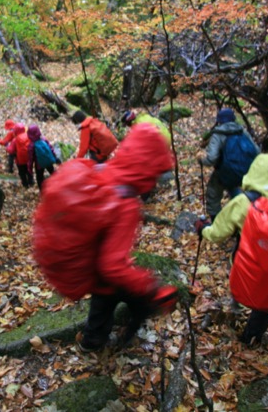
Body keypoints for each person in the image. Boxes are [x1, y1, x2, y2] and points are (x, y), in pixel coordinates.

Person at [33, 124, 178, 352]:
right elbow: (113, 266)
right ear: (149, 169)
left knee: (101, 309)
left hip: (94, 273)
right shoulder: (126, 203)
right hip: (107, 275)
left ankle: (91, 344)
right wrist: (150, 287)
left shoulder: (101, 172)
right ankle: (128, 335)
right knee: (137, 298)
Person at [195, 153, 268, 344]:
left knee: (239, 277)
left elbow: (217, 234)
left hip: (247, 268)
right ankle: (252, 335)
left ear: (254, 172)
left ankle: (235, 308)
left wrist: (203, 230)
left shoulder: (243, 203)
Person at [199, 108, 260, 220]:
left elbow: (211, 158)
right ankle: (243, 220)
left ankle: (216, 223)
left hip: (226, 172)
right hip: (246, 172)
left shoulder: (218, 134)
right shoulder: (242, 131)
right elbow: (257, 151)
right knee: (234, 189)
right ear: (233, 119)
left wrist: (201, 160)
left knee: (213, 193)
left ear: (219, 121)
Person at [26, 124, 58, 191]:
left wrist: (30, 168)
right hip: (48, 161)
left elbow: (30, 159)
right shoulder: (44, 139)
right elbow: (51, 148)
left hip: (39, 165)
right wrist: (55, 157)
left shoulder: (31, 145)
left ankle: (42, 191)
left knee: (40, 177)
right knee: (53, 172)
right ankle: (58, 184)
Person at [8, 122, 33, 188]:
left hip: (20, 161)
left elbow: (11, 150)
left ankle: (25, 185)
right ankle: (31, 182)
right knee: (29, 170)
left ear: (15, 131)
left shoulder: (15, 140)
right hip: (29, 158)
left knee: (22, 173)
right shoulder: (28, 136)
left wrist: (7, 147)